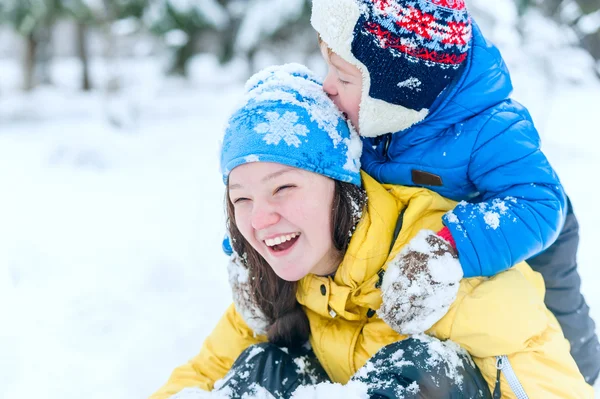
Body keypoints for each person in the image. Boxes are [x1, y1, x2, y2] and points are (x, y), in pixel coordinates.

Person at [150, 64, 592, 399]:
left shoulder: (435, 265)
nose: (260, 220)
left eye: (283, 187)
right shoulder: (277, 280)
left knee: (419, 364)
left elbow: (535, 365)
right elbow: (203, 374)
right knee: (264, 364)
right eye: (241, 199)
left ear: (340, 183)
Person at [310, 0, 600, 383]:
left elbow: (539, 201)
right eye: (329, 68)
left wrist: (449, 248)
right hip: (414, 241)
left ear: (401, 88)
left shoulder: (489, 127)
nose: (327, 86)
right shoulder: (371, 115)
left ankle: (582, 370)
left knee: (553, 330)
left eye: (344, 78)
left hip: (527, 237)